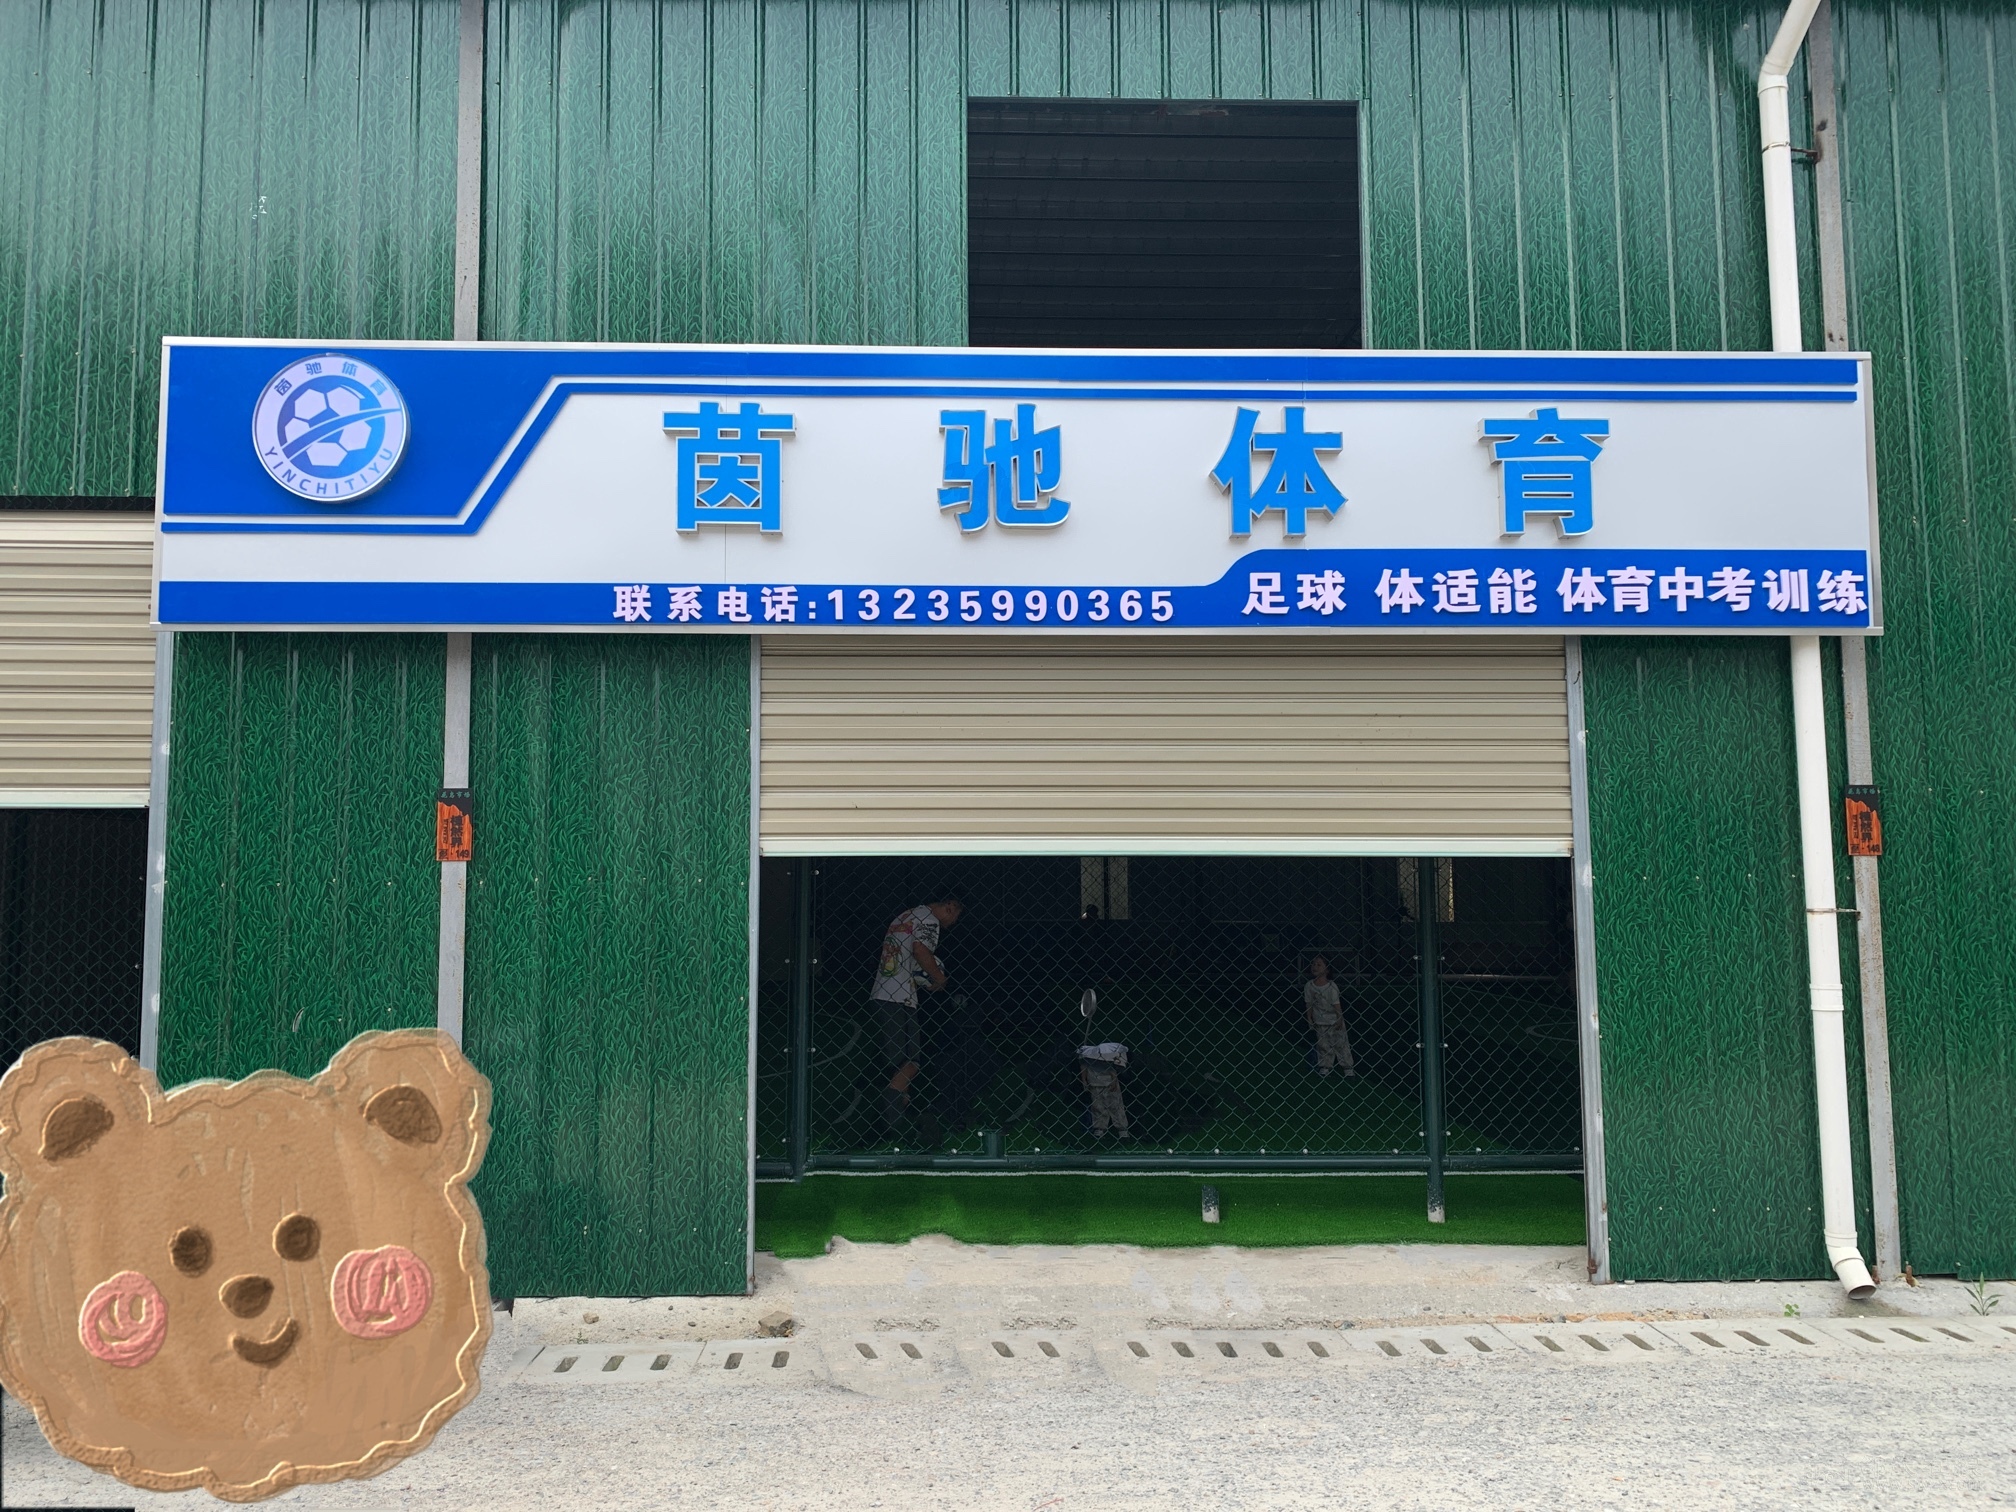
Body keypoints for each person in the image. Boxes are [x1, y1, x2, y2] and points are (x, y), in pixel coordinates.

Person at [867, 894, 962, 1129]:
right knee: (911, 1062)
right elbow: (920, 950)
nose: (953, 923)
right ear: (950, 907)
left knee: (899, 1063)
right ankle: (891, 1120)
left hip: (884, 991)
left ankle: (896, 1112)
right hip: (899, 998)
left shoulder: (906, 915)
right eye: (956, 917)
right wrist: (939, 979)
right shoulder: (929, 920)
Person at [1304, 955, 1355, 1077]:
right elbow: (1309, 1003)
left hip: (1334, 1020)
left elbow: (1337, 1005)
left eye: (1319, 965)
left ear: (1327, 969)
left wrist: (1339, 1019)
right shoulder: (1309, 986)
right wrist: (1309, 1017)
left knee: (1341, 1045)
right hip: (1320, 1021)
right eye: (1313, 964)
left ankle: (1348, 1068)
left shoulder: (1331, 986)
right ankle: (1325, 1067)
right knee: (1323, 1045)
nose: (1315, 967)